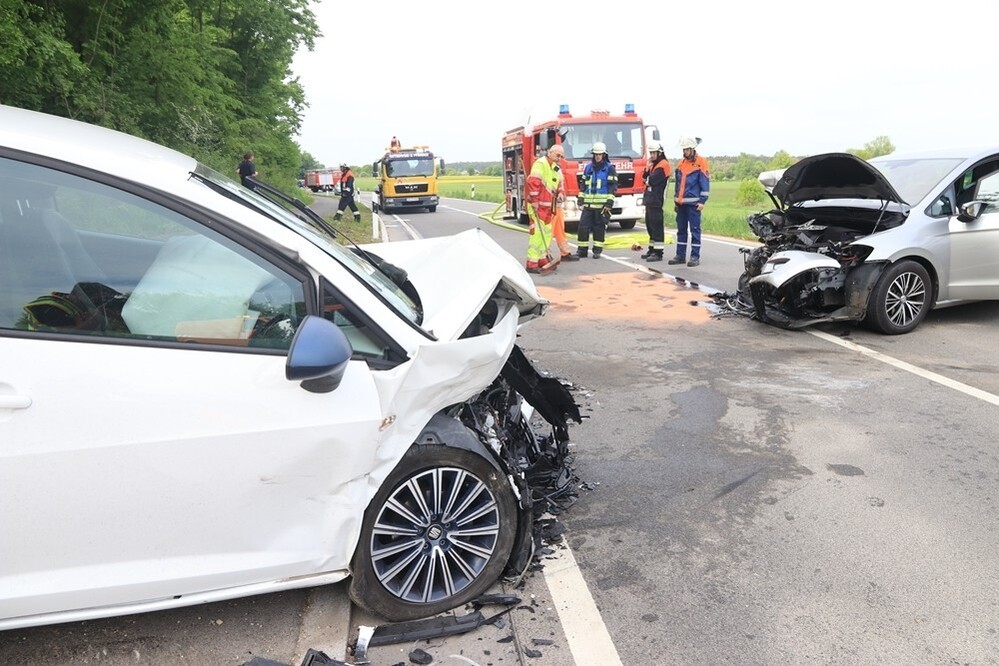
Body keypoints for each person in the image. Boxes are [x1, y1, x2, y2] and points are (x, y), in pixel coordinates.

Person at [524, 144, 564, 273]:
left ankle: (542, 258)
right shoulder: (540, 164)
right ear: (550, 153)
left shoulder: (555, 167)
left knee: (546, 233)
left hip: (548, 207)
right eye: (558, 155)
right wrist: (535, 201)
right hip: (538, 205)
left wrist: (561, 193)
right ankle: (531, 263)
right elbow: (533, 183)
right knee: (537, 234)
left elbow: (560, 182)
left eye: (561, 156)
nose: (559, 158)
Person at [670, 136, 710, 267]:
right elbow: (678, 185)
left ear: (692, 149)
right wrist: (676, 202)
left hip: (694, 204)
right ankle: (680, 255)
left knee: (695, 230)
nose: (685, 152)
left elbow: (705, 183)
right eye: (683, 149)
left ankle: (694, 256)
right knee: (681, 230)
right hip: (681, 204)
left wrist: (702, 201)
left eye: (687, 149)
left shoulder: (701, 162)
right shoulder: (681, 164)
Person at [576, 142, 617, 258]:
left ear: (604, 155)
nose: (597, 157)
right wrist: (581, 199)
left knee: (599, 228)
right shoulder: (588, 168)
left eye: (600, 154)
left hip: (601, 206)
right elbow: (583, 185)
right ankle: (582, 250)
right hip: (588, 205)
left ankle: (597, 250)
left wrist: (609, 203)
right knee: (583, 227)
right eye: (596, 154)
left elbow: (612, 187)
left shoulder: (610, 168)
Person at [640, 141, 671, 262]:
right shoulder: (653, 165)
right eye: (651, 153)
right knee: (650, 226)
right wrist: (647, 169)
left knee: (656, 226)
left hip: (657, 200)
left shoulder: (663, 165)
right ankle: (652, 249)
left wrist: (647, 178)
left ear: (659, 153)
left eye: (654, 153)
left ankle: (658, 253)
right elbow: (644, 178)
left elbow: (651, 181)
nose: (652, 155)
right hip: (650, 200)